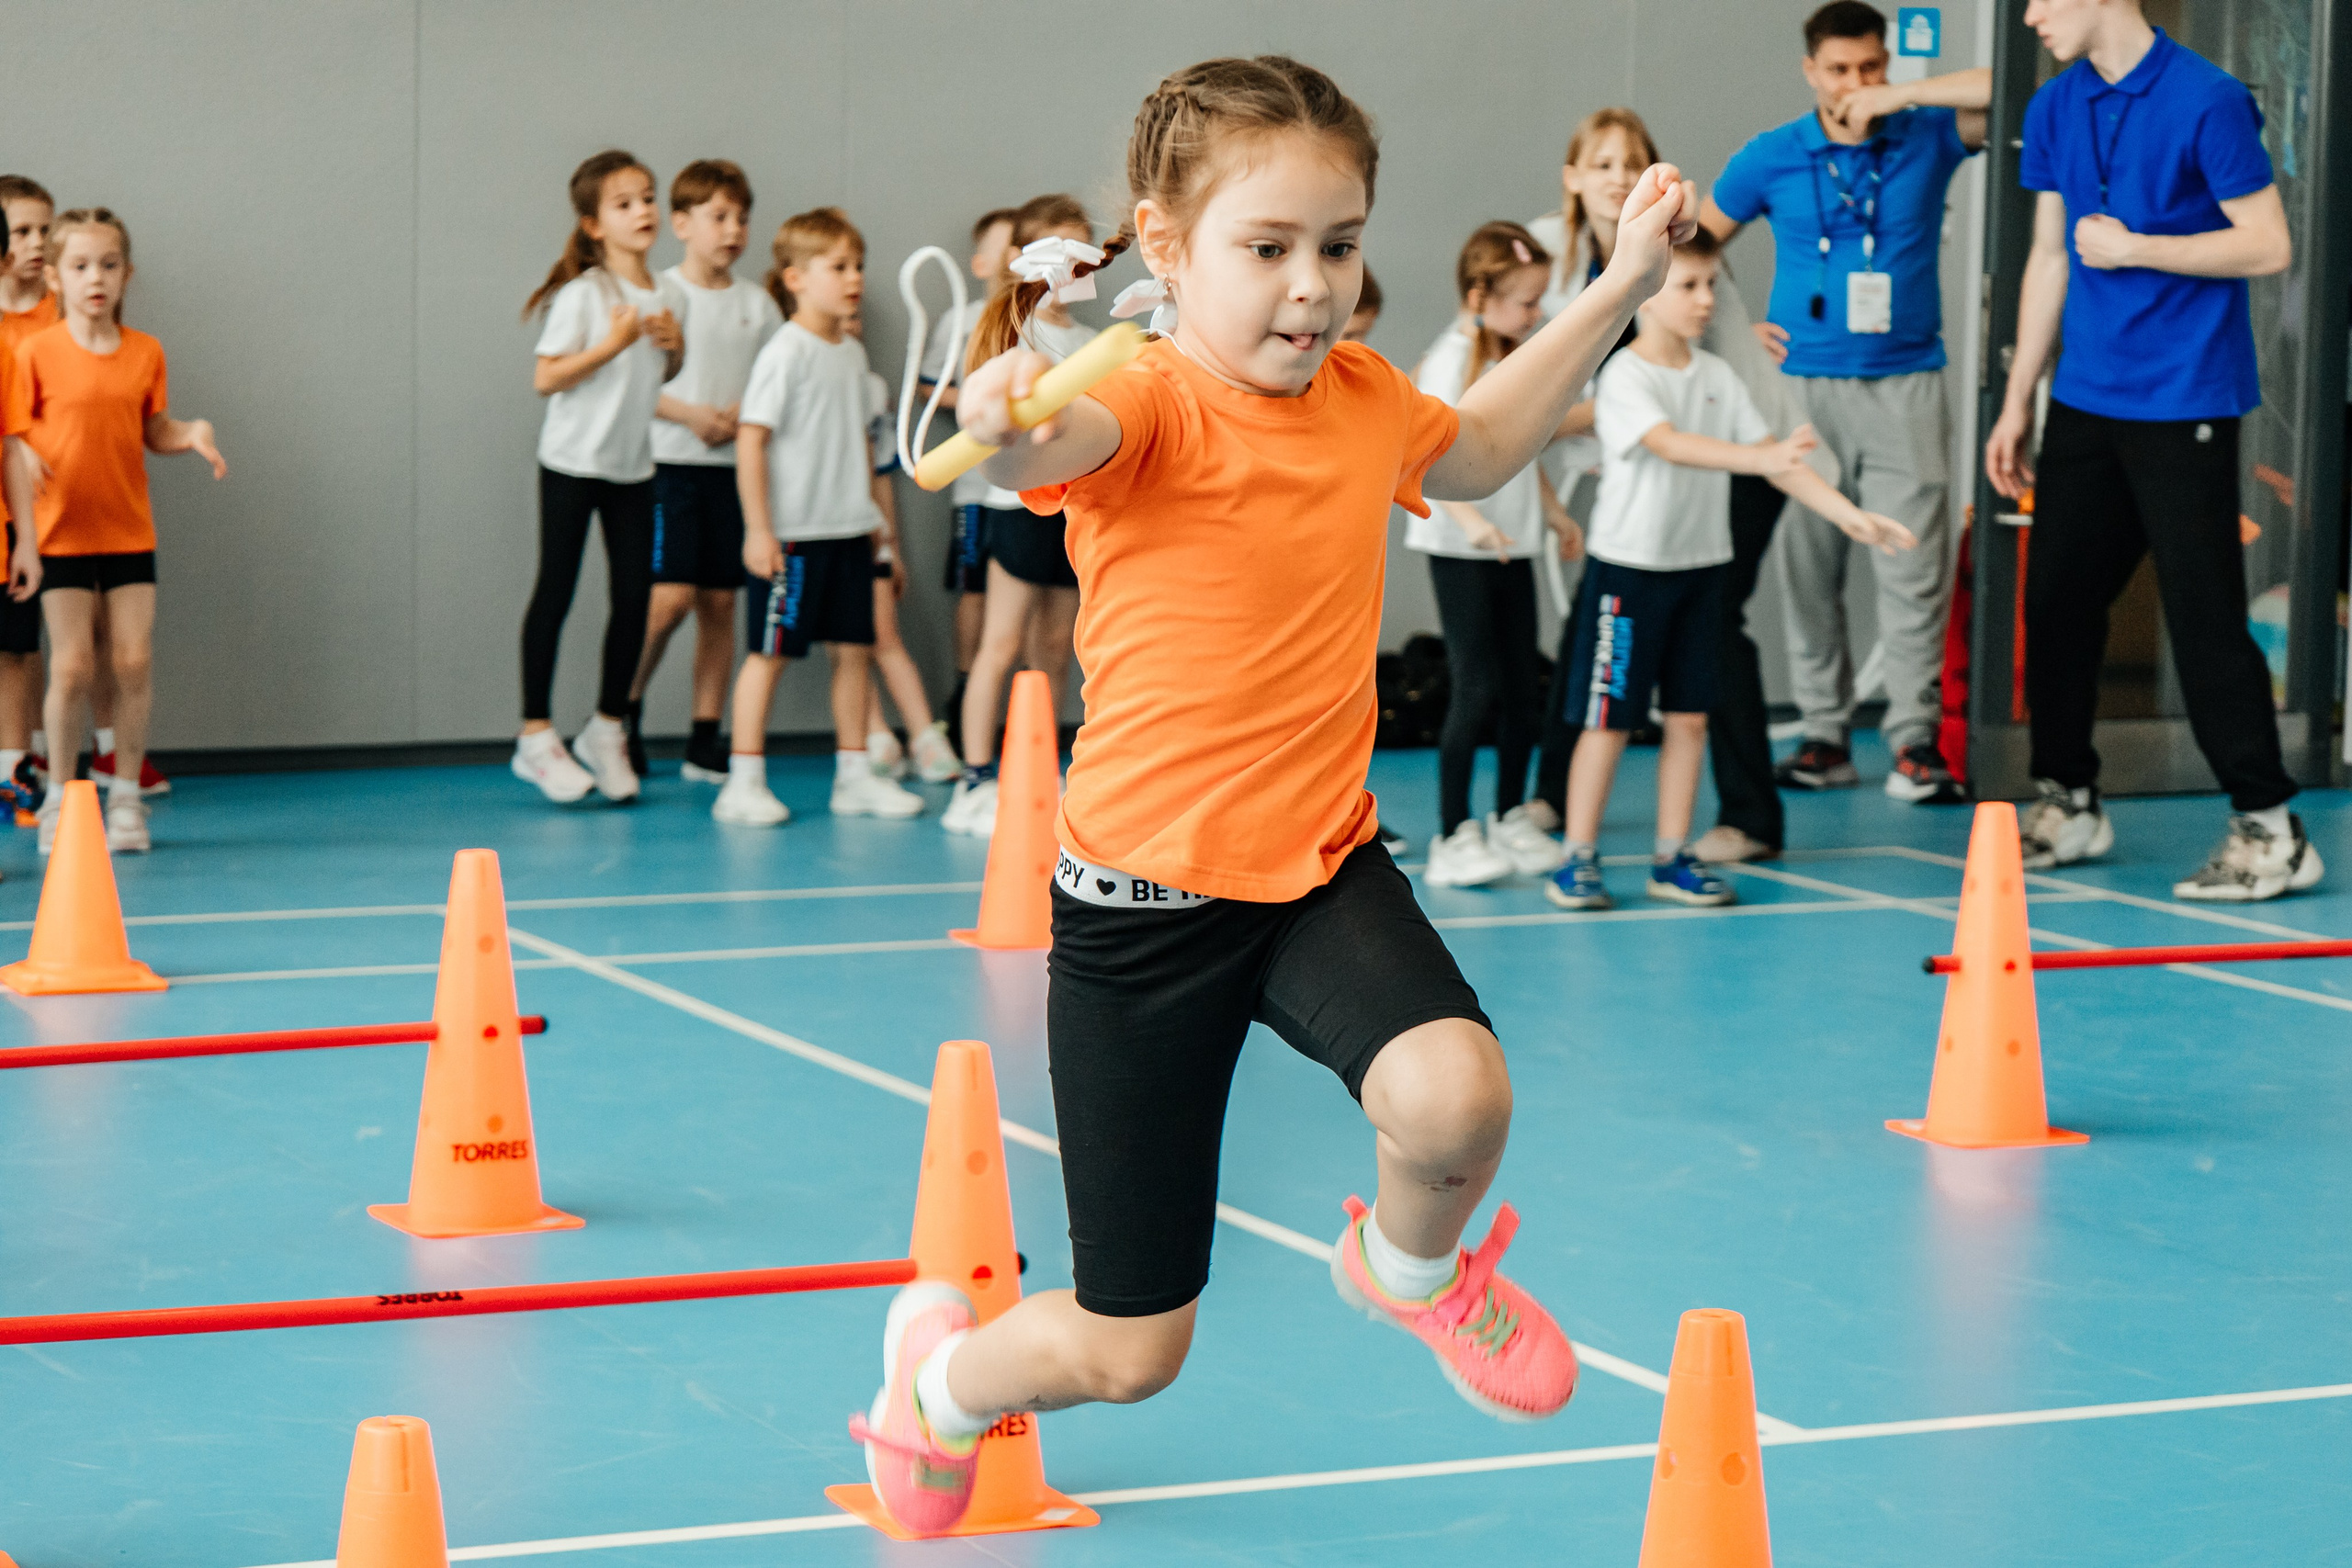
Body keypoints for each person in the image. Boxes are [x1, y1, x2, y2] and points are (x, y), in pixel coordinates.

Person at [845, 54, 1701, 1536]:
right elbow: (1061, 441)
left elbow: (1487, 443)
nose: (1313, 287)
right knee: (1131, 1355)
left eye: (1341, 244)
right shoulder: (1143, 389)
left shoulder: (1365, 396)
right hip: (1141, 921)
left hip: (1316, 875)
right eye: (1268, 249)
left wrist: (1622, 280)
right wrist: (1006, 407)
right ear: (1165, 250)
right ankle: (939, 1383)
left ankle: (1416, 1271)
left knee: (1457, 1096)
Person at [1987, 0, 2313, 901]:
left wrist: (2138, 247)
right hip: (2084, 401)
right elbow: (2050, 257)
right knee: (2055, 600)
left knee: (2202, 612)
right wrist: (2019, 401)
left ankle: (2270, 828)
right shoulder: (2053, 108)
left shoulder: (2207, 100)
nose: (2030, 15)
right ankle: (2071, 799)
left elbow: (2268, 243)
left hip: (2186, 401)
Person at [1545, 229, 1914, 912]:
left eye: (1712, 284)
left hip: (1701, 574)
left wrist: (1848, 516)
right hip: (1628, 576)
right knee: (1608, 722)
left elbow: (1780, 455)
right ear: (1648, 295)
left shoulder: (1718, 377)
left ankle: (1670, 855)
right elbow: (1670, 444)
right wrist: (1762, 462)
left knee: (1690, 720)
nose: (1706, 299)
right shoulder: (1626, 375)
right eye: (1688, 286)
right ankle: (1578, 855)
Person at [1701, 0, 1988, 804]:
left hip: (1907, 381)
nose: (1854, 83)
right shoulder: (1773, 156)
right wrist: (1734, 335)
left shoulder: (1926, 132)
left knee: (1913, 566)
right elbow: (1693, 251)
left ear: (1885, 65)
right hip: (1800, 389)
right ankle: (1825, 734)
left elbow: (2018, 89)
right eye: (1839, 70)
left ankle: (1914, 743)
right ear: (1810, 71)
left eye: (1870, 67)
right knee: (1807, 566)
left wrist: (1904, 98)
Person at [1, 209, 225, 854]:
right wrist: (26, 454)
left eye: (108, 265)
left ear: (126, 275)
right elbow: (14, 432)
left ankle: (125, 796)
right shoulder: (34, 352)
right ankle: (60, 805)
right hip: (62, 535)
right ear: (57, 280)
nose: (94, 278)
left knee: (132, 660)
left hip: (128, 533)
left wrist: (192, 435)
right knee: (69, 666)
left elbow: (153, 429)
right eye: (79, 266)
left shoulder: (145, 352)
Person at [715, 206, 923, 827]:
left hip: (848, 533)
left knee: (854, 652)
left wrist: (877, 527)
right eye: (839, 266)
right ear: (795, 277)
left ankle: (855, 777)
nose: (854, 276)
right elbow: (751, 438)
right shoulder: (786, 352)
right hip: (794, 538)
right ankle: (743, 780)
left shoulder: (851, 355)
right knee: (769, 654)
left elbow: (859, 441)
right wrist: (759, 528)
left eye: (858, 265)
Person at [1410, 221, 1581, 886]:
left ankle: (1511, 814)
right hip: (1461, 548)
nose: (1535, 314)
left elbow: (1511, 447)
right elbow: (1422, 456)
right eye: (1525, 302)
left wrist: (1554, 511)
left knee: (1520, 688)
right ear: (1480, 295)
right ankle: (1454, 830)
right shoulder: (1453, 359)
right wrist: (1471, 522)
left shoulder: (1508, 353)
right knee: (1475, 687)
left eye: (1539, 300)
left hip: (1513, 547)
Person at [514, 150, 685, 805]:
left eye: (647, 198)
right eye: (624, 203)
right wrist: (611, 345)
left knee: (634, 601)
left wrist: (676, 348)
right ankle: (535, 736)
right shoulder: (585, 295)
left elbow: (660, 378)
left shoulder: (665, 292)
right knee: (555, 590)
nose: (643, 211)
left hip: (633, 467)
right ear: (593, 225)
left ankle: (607, 728)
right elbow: (546, 377)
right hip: (572, 465)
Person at [940, 195, 1099, 839]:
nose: (1074, 262)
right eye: (1060, 248)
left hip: (1072, 513)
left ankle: (1041, 769)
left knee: (1057, 649)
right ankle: (974, 776)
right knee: (999, 643)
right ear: (1028, 258)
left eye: (1083, 249)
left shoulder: (1093, 341)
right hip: (1014, 509)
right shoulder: (1005, 326)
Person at [629, 160, 778, 785]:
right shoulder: (658, 294)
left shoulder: (759, 305)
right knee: (667, 601)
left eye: (741, 217)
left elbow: (774, 382)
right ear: (682, 223)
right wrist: (692, 415)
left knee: (720, 603)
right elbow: (633, 384)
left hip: (732, 473)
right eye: (718, 216)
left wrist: (743, 415)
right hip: (671, 467)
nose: (733, 229)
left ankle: (703, 736)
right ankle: (621, 714)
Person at [921, 208, 1019, 750]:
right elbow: (928, 387)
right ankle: (961, 697)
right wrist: (986, 407)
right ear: (982, 261)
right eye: (1005, 247)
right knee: (973, 591)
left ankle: (1009, 717)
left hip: (1027, 492)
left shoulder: (1034, 319)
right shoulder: (960, 321)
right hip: (976, 487)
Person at [849, 315, 958, 784]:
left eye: (857, 316)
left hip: (868, 533)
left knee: (883, 634)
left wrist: (890, 543)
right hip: (816, 530)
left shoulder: (871, 388)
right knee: (846, 647)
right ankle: (874, 735)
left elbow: (882, 472)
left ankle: (924, 738)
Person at [0, 175, 58, 808]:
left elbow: (15, 439)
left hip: (32, 519)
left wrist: (27, 544)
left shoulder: (55, 314)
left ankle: (18, 772)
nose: (34, 243)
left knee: (22, 649)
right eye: (22, 230)